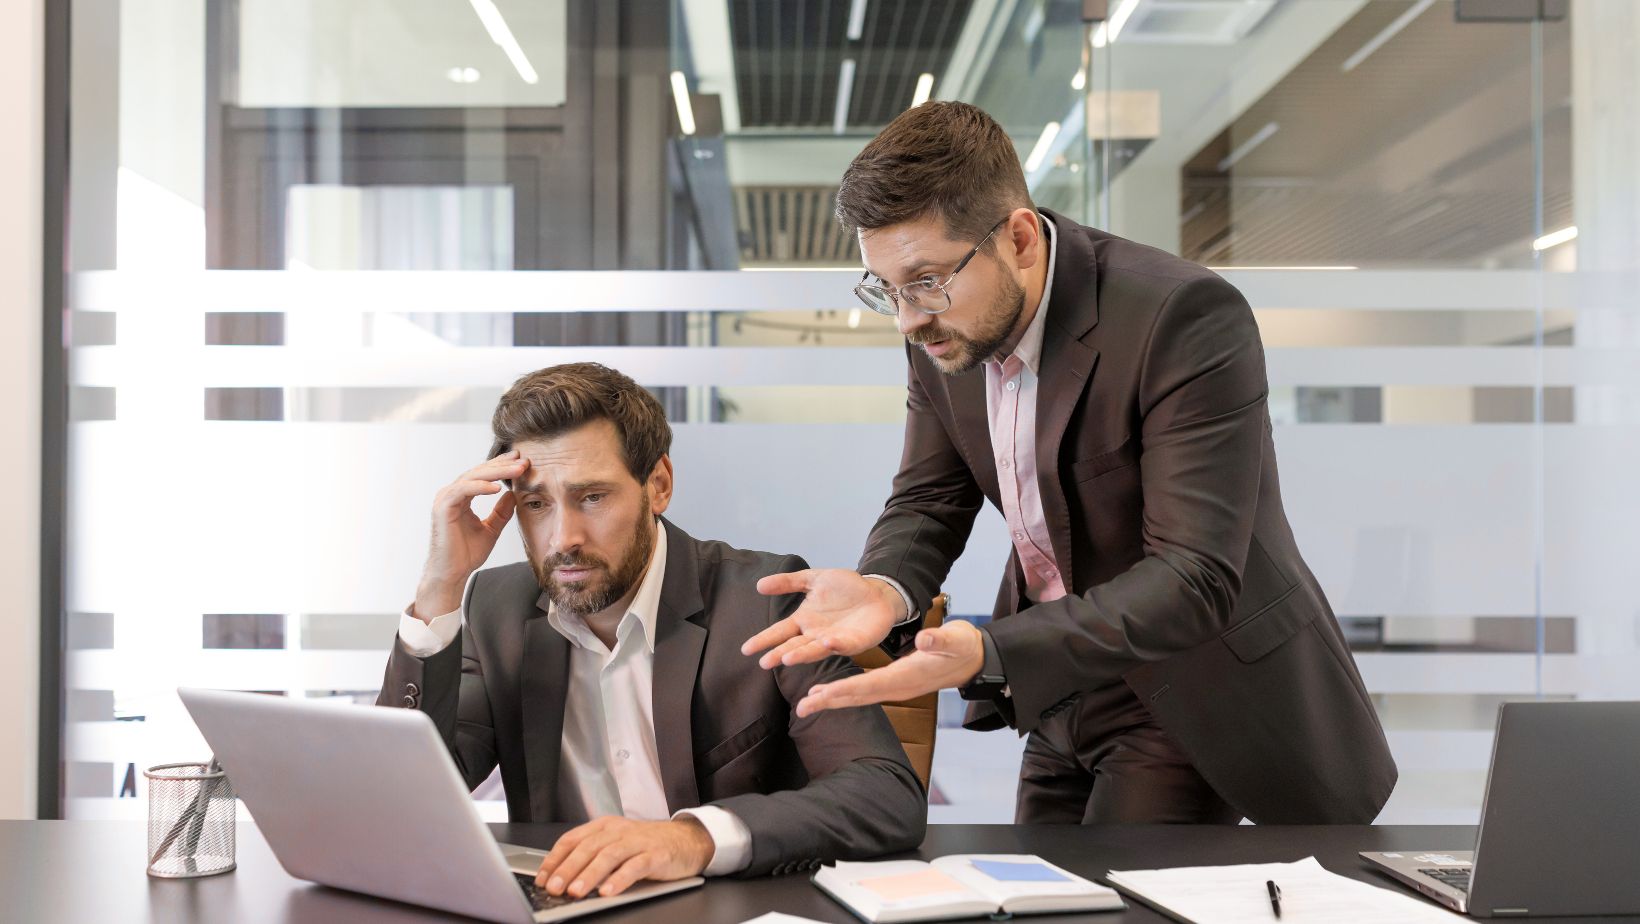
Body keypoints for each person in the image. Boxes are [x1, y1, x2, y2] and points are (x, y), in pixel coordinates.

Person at [743, 101, 1396, 826]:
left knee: (1117, 885)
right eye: (886, 289)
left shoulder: (1180, 316)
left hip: (1187, 686)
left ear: (1020, 239)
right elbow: (930, 497)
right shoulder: (941, 328)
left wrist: (988, 649)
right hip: (1056, 681)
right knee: (1035, 881)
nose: (908, 318)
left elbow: (1195, 575)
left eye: (926, 281)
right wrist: (885, 587)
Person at [379, 363, 925, 899]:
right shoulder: (495, 608)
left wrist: (693, 838)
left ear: (658, 485)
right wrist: (440, 588)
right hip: (563, 902)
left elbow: (885, 792)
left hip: (725, 907)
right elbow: (402, 801)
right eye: (536, 503)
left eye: (592, 497)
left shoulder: (763, 601)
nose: (563, 538)